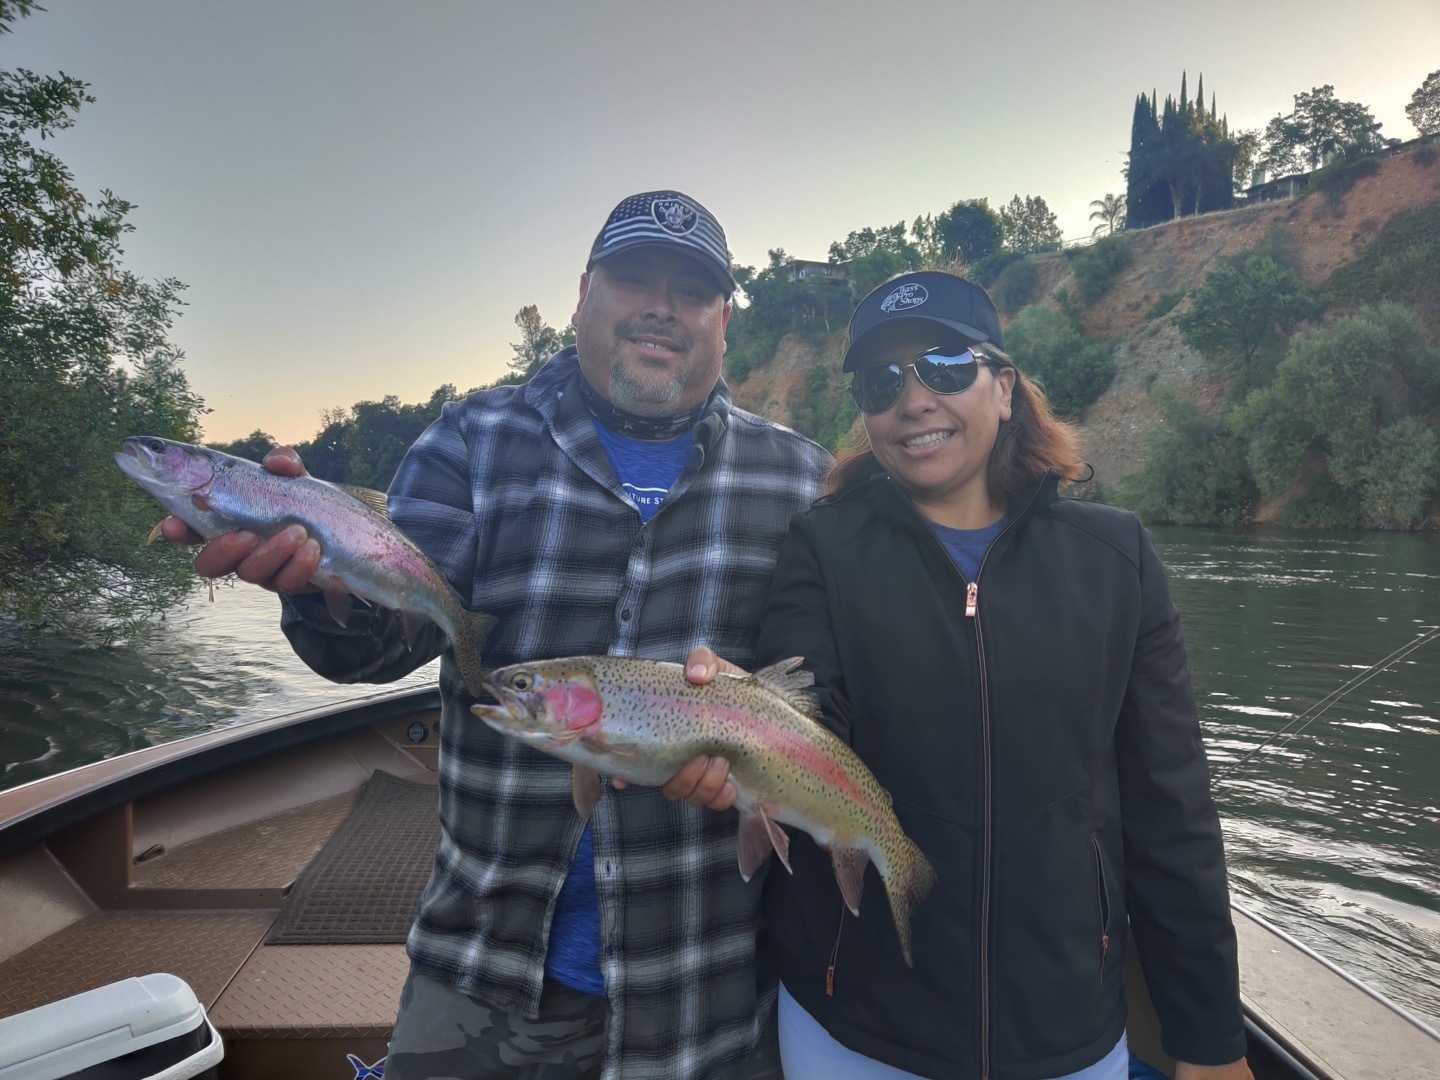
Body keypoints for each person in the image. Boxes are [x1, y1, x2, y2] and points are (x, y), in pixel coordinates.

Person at [162, 190, 831, 1079]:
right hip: (488, 963)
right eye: (634, 279)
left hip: (707, 975)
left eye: (691, 290)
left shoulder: (799, 476)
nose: (660, 307)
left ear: (723, 317)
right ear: (586, 291)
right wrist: (325, 585)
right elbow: (375, 648)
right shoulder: (471, 438)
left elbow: (822, 685)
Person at [753, 271, 1253, 1080]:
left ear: (1006, 385)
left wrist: (1211, 1041)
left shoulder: (1116, 559)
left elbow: (1174, 812)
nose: (913, 400)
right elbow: (811, 725)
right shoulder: (822, 548)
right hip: (853, 1027)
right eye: (882, 382)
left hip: (1067, 1031)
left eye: (945, 366)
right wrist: (725, 719)